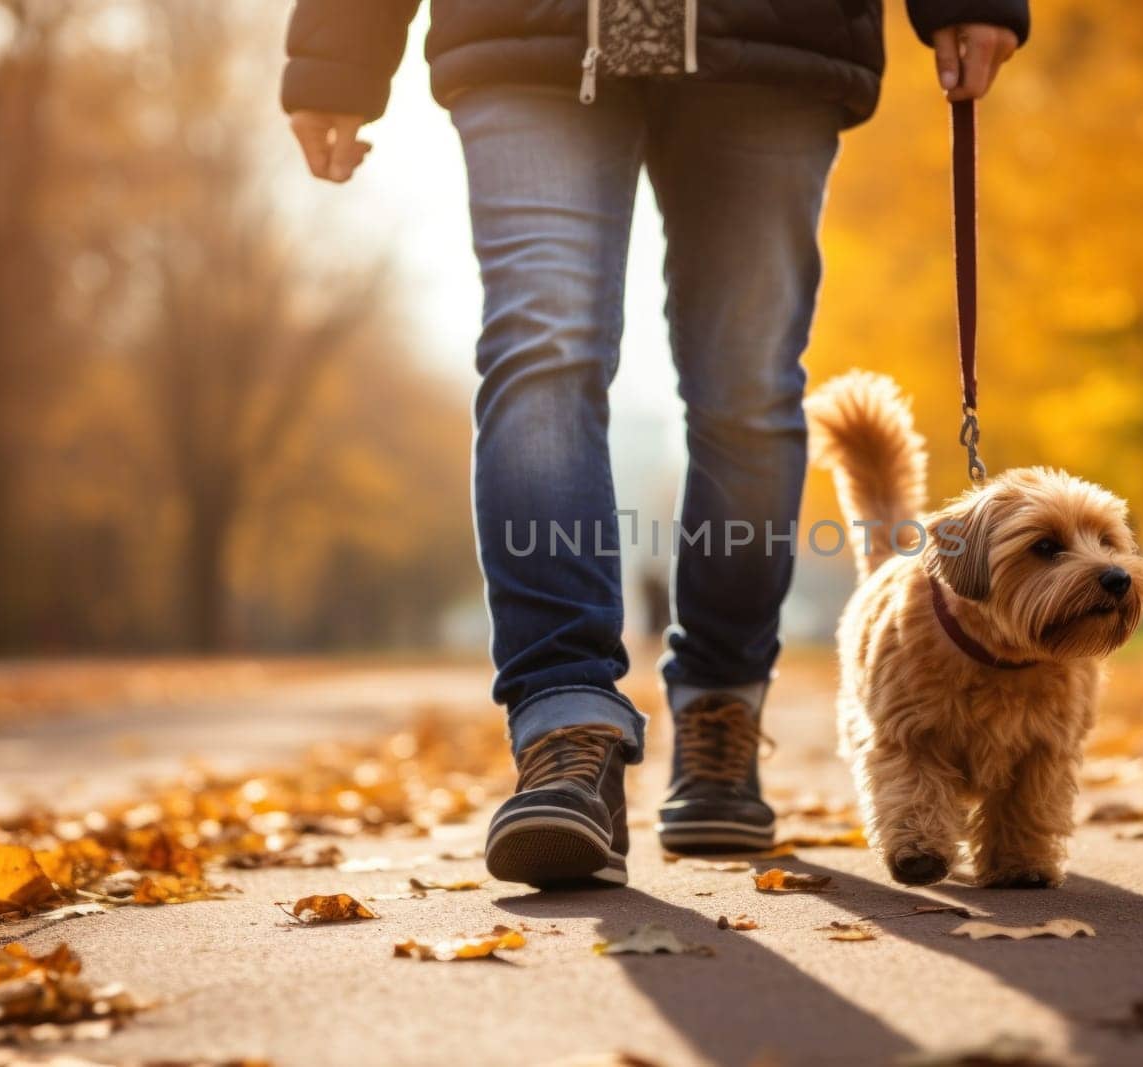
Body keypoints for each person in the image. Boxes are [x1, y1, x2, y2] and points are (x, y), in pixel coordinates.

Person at [281, 1, 1029, 889]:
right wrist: (337, 55)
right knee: (541, 350)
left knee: (747, 390)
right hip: (531, 35)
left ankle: (720, 711)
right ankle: (566, 727)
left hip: (769, 37)